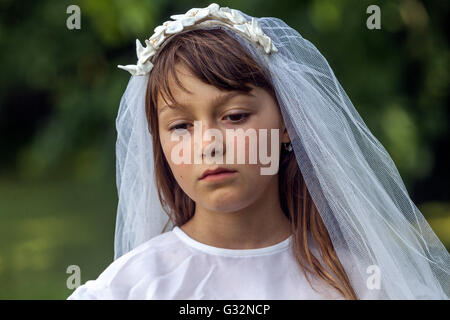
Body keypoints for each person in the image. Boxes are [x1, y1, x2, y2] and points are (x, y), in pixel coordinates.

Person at [67, 3, 450, 300]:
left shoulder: (358, 284)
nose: (209, 144)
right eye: (181, 126)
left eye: (234, 117)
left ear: (288, 123)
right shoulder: (131, 288)